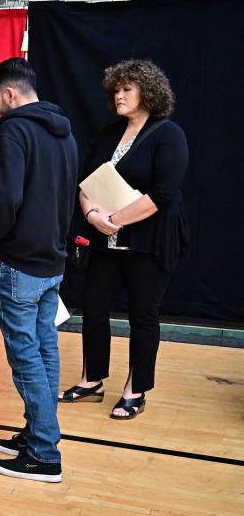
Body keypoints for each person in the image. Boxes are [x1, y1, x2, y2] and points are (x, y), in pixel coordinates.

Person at [60, 59, 188, 420]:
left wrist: (113, 219)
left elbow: (161, 196)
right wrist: (91, 216)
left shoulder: (169, 134)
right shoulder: (106, 134)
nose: (118, 95)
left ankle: (136, 390)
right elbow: (84, 183)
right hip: (105, 240)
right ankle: (91, 381)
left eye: (126, 89)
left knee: (143, 315)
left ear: (147, 92)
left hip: (150, 242)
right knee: (94, 308)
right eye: (115, 89)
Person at [0, 57, 78, 483]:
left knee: (25, 356)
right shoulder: (64, 132)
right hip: (53, 261)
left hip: (20, 263)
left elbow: (5, 198)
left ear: (10, 94)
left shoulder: (13, 131)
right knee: (45, 348)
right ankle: (39, 431)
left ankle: (43, 453)